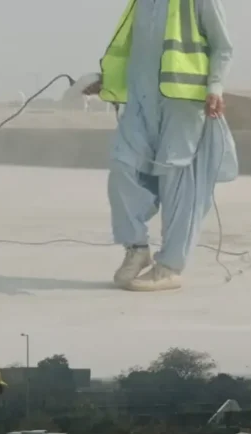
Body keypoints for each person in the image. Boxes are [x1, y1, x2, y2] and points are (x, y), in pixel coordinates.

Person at [84, 0, 238, 292]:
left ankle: (170, 266)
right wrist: (108, 80)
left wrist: (215, 87)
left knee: (178, 181)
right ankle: (136, 248)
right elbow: (140, 51)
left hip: (181, 103)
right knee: (122, 166)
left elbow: (223, 46)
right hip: (141, 101)